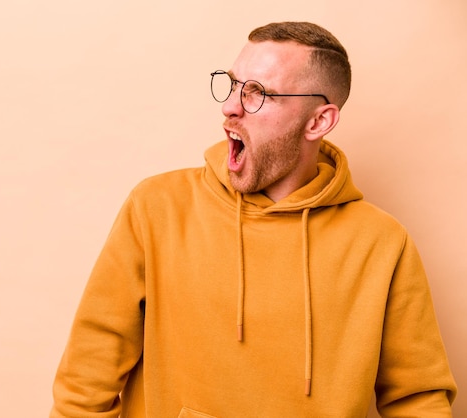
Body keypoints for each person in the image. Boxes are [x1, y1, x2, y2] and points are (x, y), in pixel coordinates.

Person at [50, 21, 457, 417]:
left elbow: (416, 401)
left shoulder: (381, 243)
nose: (229, 107)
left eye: (258, 93)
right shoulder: (157, 208)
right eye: (231, 85)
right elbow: (86, 382)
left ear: (319, 121)